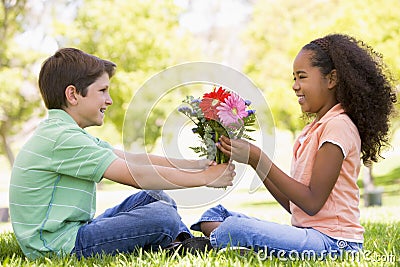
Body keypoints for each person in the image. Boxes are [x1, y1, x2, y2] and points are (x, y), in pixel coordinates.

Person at [9, 48, 235, 259]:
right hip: (58, 245)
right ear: (73, 95)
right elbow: (136, 175)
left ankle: (180, 243)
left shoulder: (66, 133)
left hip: (73, 233)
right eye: (102, 91)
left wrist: (197, 165)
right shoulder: (63, 138)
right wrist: (205, 179)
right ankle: (181, 243)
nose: (109, 100)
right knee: (162, 216)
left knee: (155, 197)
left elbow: (134, 159)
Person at [190, 34, 397, 258]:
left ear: (331, 79)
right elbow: (295, 205)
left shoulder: (338, 126)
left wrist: (258, 157)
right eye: (294, 78)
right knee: (214, 216)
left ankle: (227, 243)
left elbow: (312, 202)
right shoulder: (314, 129)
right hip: (308, 235)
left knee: (233, 228)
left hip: (335, 243)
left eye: (302, 77)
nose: (295, 86)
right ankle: (239, 246)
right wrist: (253, 162)